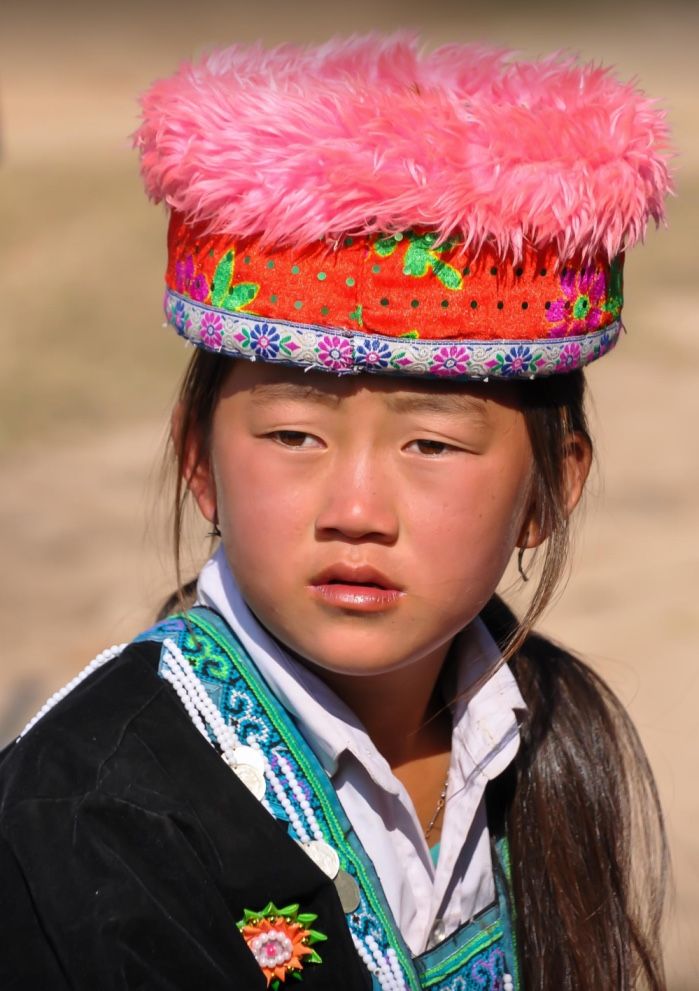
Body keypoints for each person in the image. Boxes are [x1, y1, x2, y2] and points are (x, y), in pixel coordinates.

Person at [0, 35, 673, 991]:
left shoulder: (555, 733)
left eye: (431, 445)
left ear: (549, 493)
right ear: (199, 459)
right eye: (291, 435)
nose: (356, 510)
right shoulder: (89, 811)